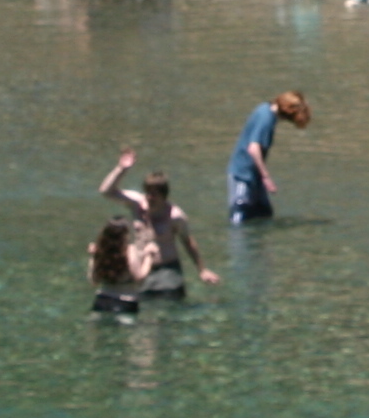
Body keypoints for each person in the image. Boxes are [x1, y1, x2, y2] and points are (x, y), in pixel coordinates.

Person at [100, 149, 215, 298]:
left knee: (170, 309)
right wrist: (121, 169)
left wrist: (202, 270)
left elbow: (188, 242)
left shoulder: (175, 216)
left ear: (164, 195)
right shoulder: (136, 204)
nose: (149, 197)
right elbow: (106, 191)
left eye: (154, 194)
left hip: (167, 272)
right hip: (141, 269)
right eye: (147, 192)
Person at [228, 90, 310, 224]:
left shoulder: (265, 109)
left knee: (264, 213)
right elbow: (253, 148)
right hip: (243, 175)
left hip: (254, 175)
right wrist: (266, 177)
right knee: (240, 213)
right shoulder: (266, 118)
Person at [84, 218, 143, 320]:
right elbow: (140, 278)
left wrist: (93, 256)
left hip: (102, 300)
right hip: (126, 301)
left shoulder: (101, 251)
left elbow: (93, 281)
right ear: (125, 235)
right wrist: (149, 257)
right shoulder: (130, 250)